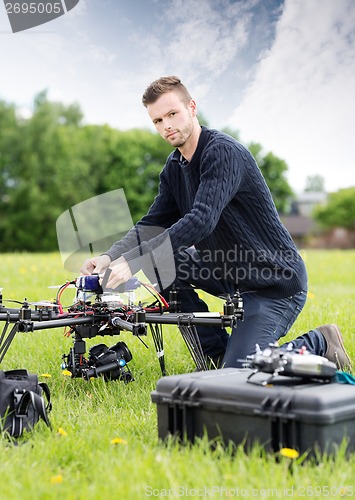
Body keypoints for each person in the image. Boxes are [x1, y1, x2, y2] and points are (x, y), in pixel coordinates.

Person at [80, 76, 352, 371]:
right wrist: (110, 256)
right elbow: (151, 223)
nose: (166, 125)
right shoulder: (174, 167)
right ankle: (214, 353)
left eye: (173, 114)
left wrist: (133, 260)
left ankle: (320, 341)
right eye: (158, 120)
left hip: (272, 281)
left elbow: (201, 220)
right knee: (160, 263)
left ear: (192, 108)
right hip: (229, 272)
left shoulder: (222, 153)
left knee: (240, 376)